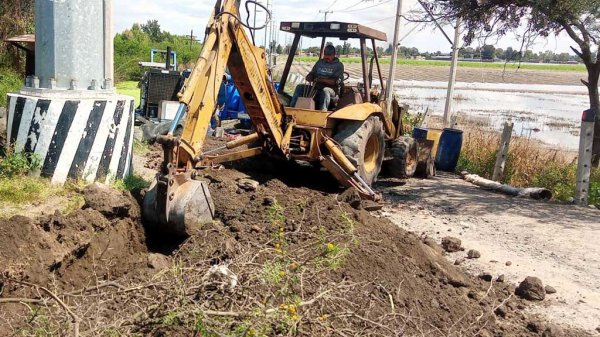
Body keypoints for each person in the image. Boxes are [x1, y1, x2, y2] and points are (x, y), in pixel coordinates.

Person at [290, 45, 344, 111]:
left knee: (325, 90)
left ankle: (322, 113)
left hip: (332, 91)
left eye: (329, 55)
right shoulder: (319, 63)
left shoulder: (338, 65)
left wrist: (321, 80)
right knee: (299, 88)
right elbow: (312, 73)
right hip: (316, 89)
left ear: (334, 54)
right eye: (326, 54)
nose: (327, 57)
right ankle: (291, 110)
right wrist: (310, 76)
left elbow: (335, 81)